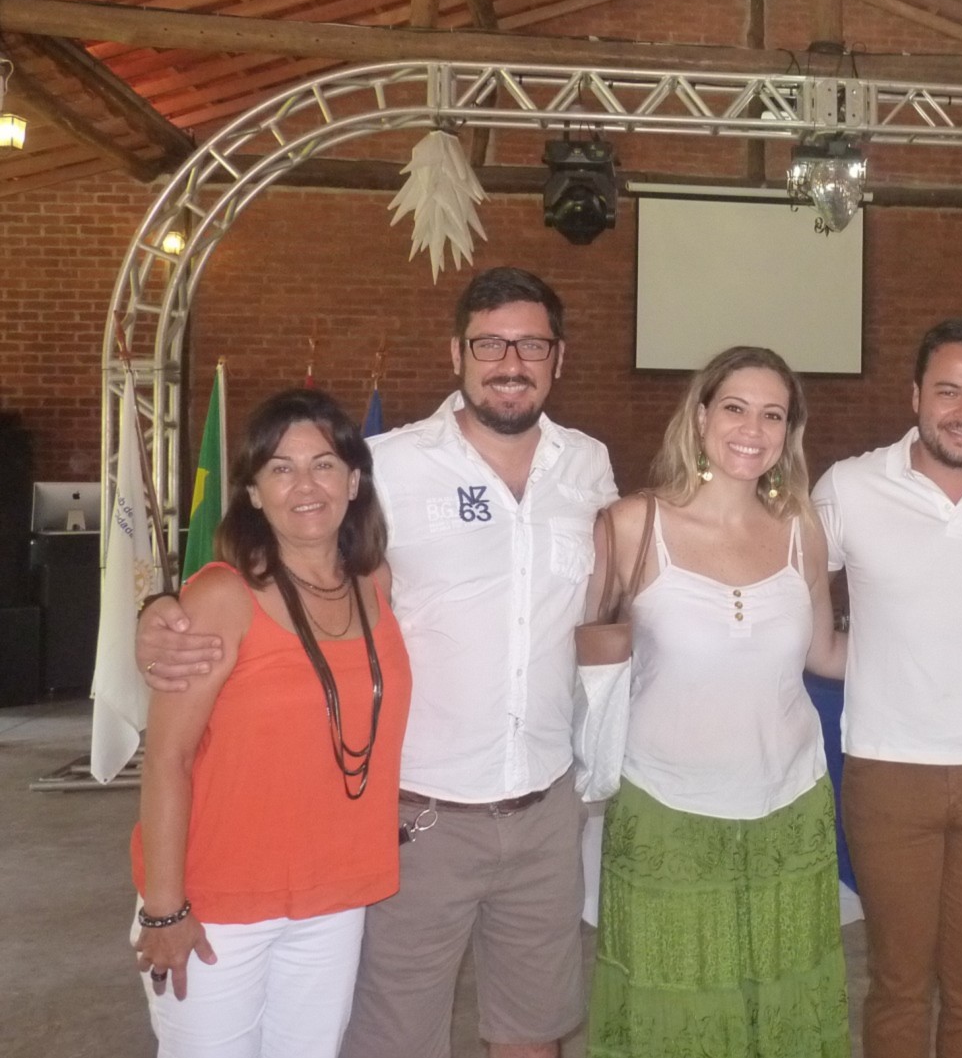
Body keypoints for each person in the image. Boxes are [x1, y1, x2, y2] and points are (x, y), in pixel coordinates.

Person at [138, 267, 618, 1058]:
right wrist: (162, 611)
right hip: (415, 819)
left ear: (558, 357)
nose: (510, 362)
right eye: (490, 343)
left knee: (533, 1035)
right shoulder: (389, 466)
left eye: (532, 344)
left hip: (544, 809)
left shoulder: (589, 465)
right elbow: (279, 564)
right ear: (456, 353)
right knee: (395, 1041)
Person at [584, 346, 849, 1057]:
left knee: (782, 1009)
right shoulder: (632, 525)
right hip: (666, 810)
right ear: (700, 416)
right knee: (673, 1014)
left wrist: (940, 651)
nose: (752, 430)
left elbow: (825, 654)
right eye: (735, 408)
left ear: (789, 430)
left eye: (773, 415)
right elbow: (579, 659)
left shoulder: (802, 530)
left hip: (788, 806)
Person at [131, 388, 412, 1057]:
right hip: (217, 904)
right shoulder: (221, 596)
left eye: (323, 464)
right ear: (254, 492)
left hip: (334, 897)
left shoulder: (375, 585)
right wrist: (165, 909)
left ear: (354, 481)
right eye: (281, 468)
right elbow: (167, 757)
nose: (305, 485)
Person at [811, 319, 962, 1058]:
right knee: (898, 983)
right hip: (888, 770)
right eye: (949, 391)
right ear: (915, 394)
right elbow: (799, 601)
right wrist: (850, 656)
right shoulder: (848, 486)